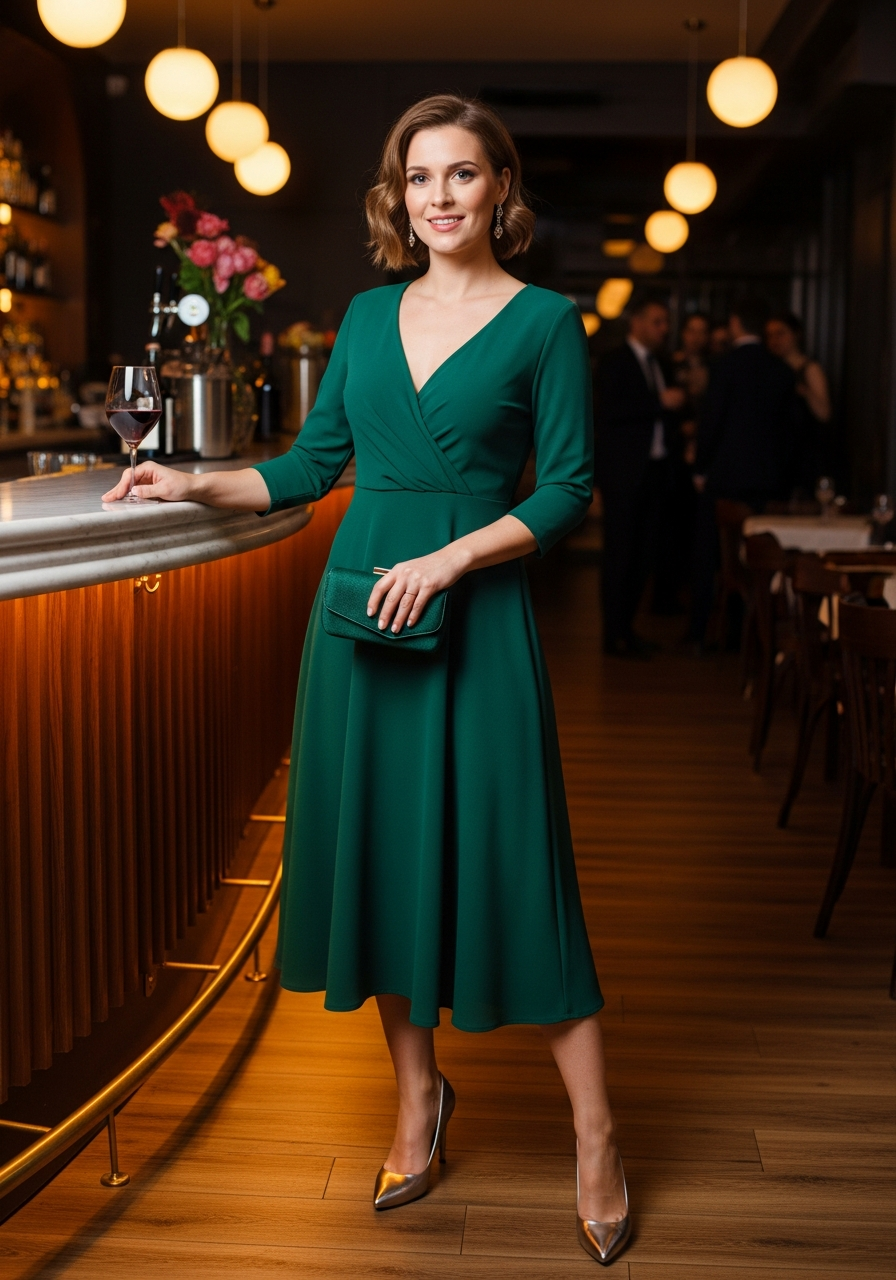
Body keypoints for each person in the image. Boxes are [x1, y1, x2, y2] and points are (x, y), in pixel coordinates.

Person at [103, 94, 630, 1266]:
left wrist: (449, 555)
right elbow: (309, 465)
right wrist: (190, 482)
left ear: (500, 188)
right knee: (384, 867)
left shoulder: (546, 323)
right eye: (419, 177)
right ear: (400, 197)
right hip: (357, 620)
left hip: (476, 616)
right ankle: (417, 1099)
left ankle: (595, 1134)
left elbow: (566, 489)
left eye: (462, 173)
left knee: (514, 865)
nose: (439, 195)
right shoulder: (364, 315)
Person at [688, 296, 797, 647]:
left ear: (735, 323)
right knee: (761, 559)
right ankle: (756, 632)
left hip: (726, 476)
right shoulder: (780, 369)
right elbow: (787, 431)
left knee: (711, 557)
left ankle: (702, 631)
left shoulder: (725, 366)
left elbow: (712, 422)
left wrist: (701, 468)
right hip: (769, 480)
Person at [594, 293, 686, 654]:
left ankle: (628, 630)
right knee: (620, 555)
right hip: (624, 474)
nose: (664, 329)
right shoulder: (615, 361)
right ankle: (612, 634)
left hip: (655, 471)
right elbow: (608, 412)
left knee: (645, 555)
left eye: (665, 323)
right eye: (657, 321)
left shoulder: (661, 363)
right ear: (637, 322)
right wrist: (659, 404)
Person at [765, 311, 831, 492]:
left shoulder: (809, 368)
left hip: (803, 456)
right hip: (777, 456)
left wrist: (804, 391)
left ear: (796, 335)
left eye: (781, 333)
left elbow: (824, 413)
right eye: (770, 335)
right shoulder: (769, 369)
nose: (775, 340)